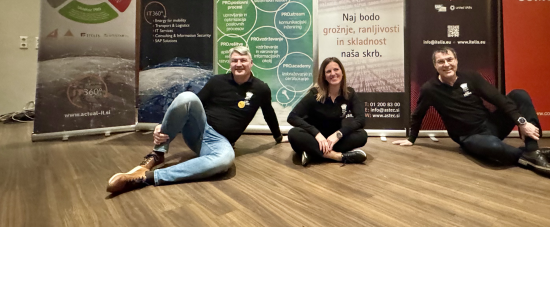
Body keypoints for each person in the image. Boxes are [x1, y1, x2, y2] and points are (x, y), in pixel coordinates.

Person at [107, 46, 286, 193]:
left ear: (251, 63)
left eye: (243, 60)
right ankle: (157, 154)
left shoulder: (261, 89)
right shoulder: (217, 81)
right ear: (230, 63)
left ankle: (146, 177)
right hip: (199, 129)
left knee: (225, 160)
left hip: (219, 142)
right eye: (234, 60)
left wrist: (278, 138)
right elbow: (191, 105)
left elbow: (269, 113)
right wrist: (162, 126)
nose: (238, 64)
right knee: (187, 97)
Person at [393, 47, 550, 177]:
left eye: (449, 59)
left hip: (491, 125)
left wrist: (521, 122)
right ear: (435, 65)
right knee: (494, 148)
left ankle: (532, 149)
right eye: (441, 62)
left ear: (456, 61)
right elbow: (418, 114)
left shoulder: (471, 77)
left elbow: (498, 99)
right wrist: (411, 139)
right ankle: (529, 157)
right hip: (470, 137)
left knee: (519, 94)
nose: (446, 64)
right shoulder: (429, 89)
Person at [287, 57, 367, 166]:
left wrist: (338, 134)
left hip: (334, 139)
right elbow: (292, 117)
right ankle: (338, 156)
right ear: (324, 76)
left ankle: (313, 153)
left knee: (362, 135)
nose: (333, 73)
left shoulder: (350, 93)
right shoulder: (315, 94)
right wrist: (317, 134)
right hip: (314, 138)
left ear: (342, 72)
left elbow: (361, 120)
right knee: (293, 134)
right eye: (328, 71)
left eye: (336, 69)